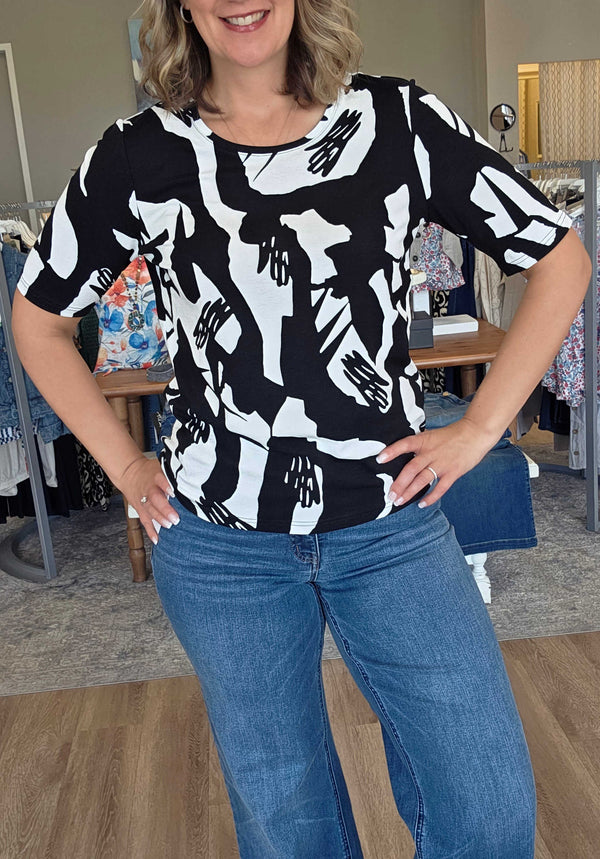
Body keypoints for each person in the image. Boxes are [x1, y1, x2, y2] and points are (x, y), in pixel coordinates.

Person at [12, 1, 591, 857]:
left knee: (487, 806)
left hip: (389, 524)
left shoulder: (397, 121)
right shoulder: (139, 155)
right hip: (220, 548)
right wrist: (128, 466)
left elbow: (559, 258)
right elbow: (39, 320)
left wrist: (479, 427)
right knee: (289, 831)